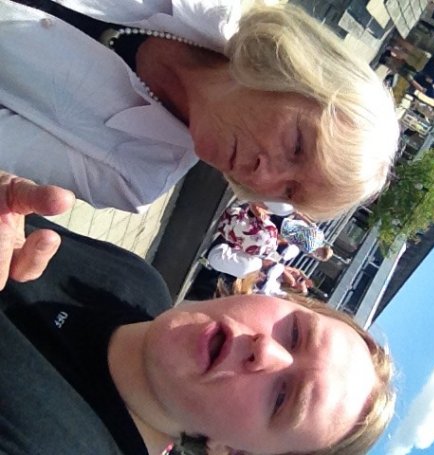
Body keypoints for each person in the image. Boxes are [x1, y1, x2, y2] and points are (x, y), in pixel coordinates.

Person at [0, 174, 395, 455]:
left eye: (281, 399)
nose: (265, 351)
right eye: (294, 333)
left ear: (233, 452)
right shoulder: (139, 285)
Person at [0, 0, 399, 220]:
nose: (264, 177)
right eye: (297, 146)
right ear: (296, 74)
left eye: (290, 191)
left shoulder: (134, 179)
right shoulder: (212, 6)